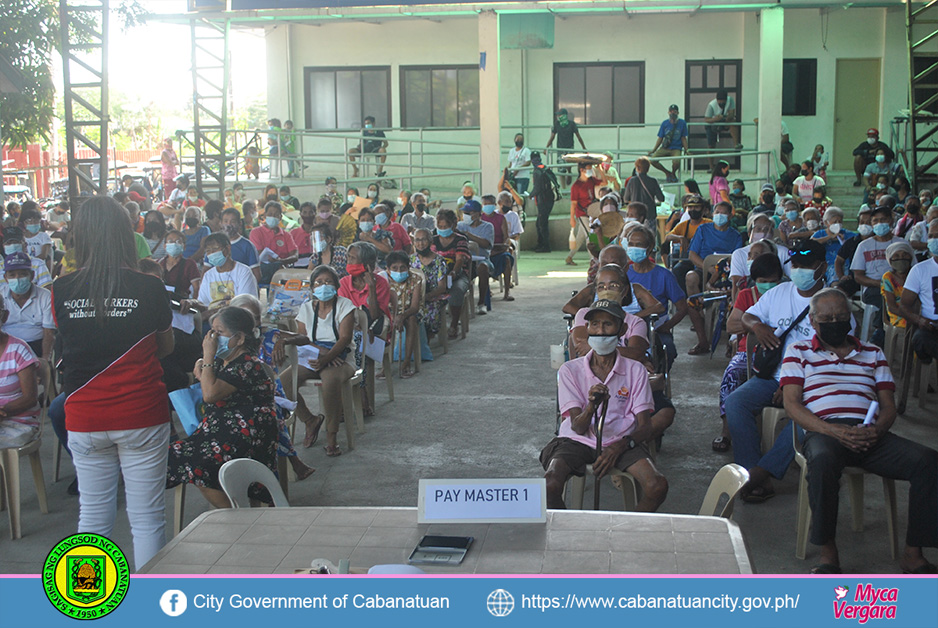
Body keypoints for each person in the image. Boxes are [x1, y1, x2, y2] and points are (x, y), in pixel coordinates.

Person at [52, 196, 175, 571]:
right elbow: (165, 347)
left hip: (85, 417)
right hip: (141, 413)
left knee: (92, 519)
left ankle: (88, 603)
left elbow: (67, 344)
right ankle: (150, 609)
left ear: (81, 237)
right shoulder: (150, 287)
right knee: (148, 519)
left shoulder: (61, 289)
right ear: (126, 234)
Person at [781, 287, 937, 574]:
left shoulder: (872, 353)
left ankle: (914, 553)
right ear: (813, 322)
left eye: (841, 316)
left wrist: (876, 431)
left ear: (851, 318)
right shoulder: (798, 351)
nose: (834, 322)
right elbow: (792, 404)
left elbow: (888, 406)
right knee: (824, 461)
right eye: (826, 318)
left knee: (928, 461)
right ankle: (828, 553)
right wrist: (832, 431)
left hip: (869, 433)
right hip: (824, 431)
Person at [725, 240, 847, 504]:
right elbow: (745, 317)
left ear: (822, 267)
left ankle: (761, 472)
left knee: (808, 415)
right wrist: (757, 326)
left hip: (815, 383)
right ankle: (750, 469)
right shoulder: (779, 293)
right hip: (774, 376)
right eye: (796, 265)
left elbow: (839, 356)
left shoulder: (833, 305)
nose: (800, 271)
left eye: (807, 265)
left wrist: (793, 387)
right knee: (736, 402)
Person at [541, 299, 667, 511]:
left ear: (622, 329)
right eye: (594, 324)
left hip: (622, 440)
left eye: (608, 324)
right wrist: (590, 407)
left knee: (657, 486)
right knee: (549, 484)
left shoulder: (635, 370)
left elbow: (644, 426)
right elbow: (578, 426)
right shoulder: (570, 370)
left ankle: (624, 530)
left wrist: (620, 446)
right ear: (586, 329)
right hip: (577, 440)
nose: (600, 332)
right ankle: (568, 532)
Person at [166, 306, 280, 507]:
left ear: (240, 338)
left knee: (199, 467)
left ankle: (238, 516)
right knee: (173, 455)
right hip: (220, 433)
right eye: (212, 332)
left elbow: (210, 394)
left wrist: (207, 356)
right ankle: (240, 513)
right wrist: (204, 364)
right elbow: (207, 383)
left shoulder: (247, 364)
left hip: (248, 436)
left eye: (220, 333)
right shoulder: (225, 361)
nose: (213, 338)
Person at [273, 265, 356, 455]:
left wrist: (329, 357)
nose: (323, 286)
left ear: (336, 285)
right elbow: (303, 339)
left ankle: (332, 436)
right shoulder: (306, 308)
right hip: (314, 356)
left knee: (330, 381)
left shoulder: (345, 306)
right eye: (318, 282)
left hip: (341, 357)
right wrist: (322, 354)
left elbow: (344, 339)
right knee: (284, 382)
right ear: (312, 288)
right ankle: (310, 420)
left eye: (328, 282)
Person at [231, 293, 315, 481]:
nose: (254, 324)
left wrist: (282, 340)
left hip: (269, 394)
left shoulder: (268, 334)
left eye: (257, 318)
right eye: (248, 318)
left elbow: (303, 339)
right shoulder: (227, 340)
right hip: (238, 394)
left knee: (268, 411)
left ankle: (274, 473)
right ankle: (290, 462)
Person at [716, 253, 784, 453]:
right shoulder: (747, 295)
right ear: (756, 280)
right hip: (750, 351)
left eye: (774, 281)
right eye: (764, 282)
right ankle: (727, 430)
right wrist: (757, 327)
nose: (769, 286)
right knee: (733, 375)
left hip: (780, 354)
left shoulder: (787, 296)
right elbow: (731, 325)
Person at [684, 201, 743, 355]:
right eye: (717, 212)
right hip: (703, 269)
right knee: (690, 278)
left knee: (736, 297)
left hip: (727, 275)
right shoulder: (703, 229)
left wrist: (719, 270)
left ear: (730, 216)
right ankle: (702, 337)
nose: (719, 216)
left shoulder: (735, 236)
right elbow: (692, 254)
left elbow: (737, 259)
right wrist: (707, 266)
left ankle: (732, 344)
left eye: (723, 213)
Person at [569, 264, 649, 362]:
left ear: (625, 291)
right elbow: (581, 347)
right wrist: (621, 352)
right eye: (601, 287)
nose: (607, 290)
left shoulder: (635, 322)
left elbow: (635, 354)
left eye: (613, 286)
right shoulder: (584, 314)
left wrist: (593, 348)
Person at [853, 206, 903, 345]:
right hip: (873, 288)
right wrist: (882, 284)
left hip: (900, 287)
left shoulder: (902, 243)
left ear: (891, 221)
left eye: (883, 220)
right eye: (875, 221)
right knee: (886, 296)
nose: (879, 223)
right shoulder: (864, 246)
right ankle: (881, 330)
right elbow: (858, 276)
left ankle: (880, 331)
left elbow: (911, 269)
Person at [0, 292, 40, 451]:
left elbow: (30, 398)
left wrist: (3, 412)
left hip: (19, 423)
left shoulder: (18, 349)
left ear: (4, 316)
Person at [187, 233, 259, 318]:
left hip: (236, 319)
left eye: (215, 249)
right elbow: (203, 303)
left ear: (227, 249)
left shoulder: (243, 271)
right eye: (208, 251)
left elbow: (244, 305)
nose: (211, 253)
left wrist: (212, 313)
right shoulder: (208, 275)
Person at [899, 219, 938, 364]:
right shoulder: (920, 270)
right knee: (920, 339)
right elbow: (904, 306)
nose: (935, 240)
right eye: (932, 236)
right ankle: (930, 382)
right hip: (932, 328)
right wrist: (919, 320)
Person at [0, 252, 54, 359]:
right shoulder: (0, 295)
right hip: (5, 347)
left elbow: (48, 332)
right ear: (6, 278)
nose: (17, 278)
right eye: (12, 275)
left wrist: (45, 359)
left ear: (32, 276)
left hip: (36, 346)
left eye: (22, 274)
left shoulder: (45, 296)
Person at [432, 209, 471, 339]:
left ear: (453, 225)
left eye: (445, 226)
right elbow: (431, 259)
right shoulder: (433, 240)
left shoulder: (460, 240)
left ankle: (454, 324)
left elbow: (460, 260)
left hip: (457, 275)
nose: (442, 229)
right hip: (438, 276)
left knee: (457, 290)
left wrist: (454, 272)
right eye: (440, 226)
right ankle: (432, 325)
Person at [386, 251, 423, 379]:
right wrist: (393, 316)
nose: (399, 271)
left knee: (411, 320)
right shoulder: (383, 280)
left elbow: (414, 307)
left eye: (403, 268)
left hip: (409, 312)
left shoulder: (415, 279)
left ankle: (406, 362)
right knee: (381, 323)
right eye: (394, 268)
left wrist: (402, 316)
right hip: (389, 313)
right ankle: (385, 365)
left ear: (408, 268)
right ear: (388, 269)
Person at [410, 228, 448, 346]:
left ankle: (425, 341)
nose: (420, 244)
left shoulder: (439, 261)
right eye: (417, 240)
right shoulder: (410, 260)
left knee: (430, 308)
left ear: (431, 241)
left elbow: (442, 287)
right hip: (415, 295)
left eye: (424, 240)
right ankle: (411, 341)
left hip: (433, 296)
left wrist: (427, 296)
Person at [457, 200, 495, 315]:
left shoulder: (487, 227)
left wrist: (469, 235)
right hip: (464, 260)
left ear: (478, 214)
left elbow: (486, 244)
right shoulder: (460, 225)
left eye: (470, 213)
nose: (466, 216)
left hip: (482, 259)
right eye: (465, 213)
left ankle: (481, 303)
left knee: (483, 268)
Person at [566, 161, 608, 266]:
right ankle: (593, 260)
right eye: (589, 168)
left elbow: (604, 182)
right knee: (590, 235)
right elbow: (573, 204)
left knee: (580, 236)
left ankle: (569, 257)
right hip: (582, 214)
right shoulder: (576, 186)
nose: (590, 170)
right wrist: (572, 218)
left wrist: (600, 169)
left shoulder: (591, 180)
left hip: (591, 212)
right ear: (582, 170)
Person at [249, 201, 299, 285]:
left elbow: (295, 255)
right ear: (264, 215)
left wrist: (281, 261)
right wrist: (276, 262)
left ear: (280, 217)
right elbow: (260, 254)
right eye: (270, 214)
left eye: (276, 215)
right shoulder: (256, 232)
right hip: (263, 271)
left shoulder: (286, 235)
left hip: (282, 271)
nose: (273, 217)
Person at [811, 207, 854, 285]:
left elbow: (858, 240)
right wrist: (829, 237)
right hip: (828, 266)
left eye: (840, 221)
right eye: (834, 222)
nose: (837, 224)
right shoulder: (820, 234)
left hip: (846, 265)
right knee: (835, 277)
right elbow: (811, 243)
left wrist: (845, 241)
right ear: (826, 222)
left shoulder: (846, 234)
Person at [545, 108, 586, 187]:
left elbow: (578, 136)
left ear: (564, 115)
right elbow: (552, 136)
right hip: (560, 148)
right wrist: (546, 148)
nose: (558, 116)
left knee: (569, 164)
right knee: (561, 168)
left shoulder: (572, 124)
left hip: (569, 147)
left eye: (559, 115)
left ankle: (569, 172)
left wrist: (584, 148)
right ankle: (563, 187)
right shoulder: (557, 124)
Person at [648, 104, 688, 183]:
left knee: (677, 162)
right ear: (668, 112)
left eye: (675, 112)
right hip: (665, 147)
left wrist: (687, 150)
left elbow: (683, 138)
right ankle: (667, 173)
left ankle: (673, 173)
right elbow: (660, 138)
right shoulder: (664, 123)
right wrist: (653, 150)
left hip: (676, 148)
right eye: (671, 111)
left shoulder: (682, 123)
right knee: (652, 160)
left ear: (678, 113)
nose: (673, 113)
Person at [881, 241, 915, 330]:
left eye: (905, 255)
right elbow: (892, 307)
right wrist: (913, 317)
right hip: (899, 316)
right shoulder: (888, 277)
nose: (901, 258)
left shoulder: (916, 274)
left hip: (918, 314)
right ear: (890, 259)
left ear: (911, 257)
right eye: (896, 256)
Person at [159, 230, 201, 301]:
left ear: (184, 246)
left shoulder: (189, 264)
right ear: (165, 246)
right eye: (170, 241)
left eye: (178, 241)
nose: (174, 244)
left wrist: (193, 304)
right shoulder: (159, 263)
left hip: (181, 303)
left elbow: (196, 288)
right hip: (161, 301)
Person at [221, 208, 260, 283]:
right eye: (225, 221)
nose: (228, 224)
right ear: (221, 223)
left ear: (239, 223)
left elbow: (256, 275)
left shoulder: (247, 245)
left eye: (232, 221)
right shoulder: (214, 244)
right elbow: (206, 270)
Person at [621, 157, 663, 225]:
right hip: (650, 214)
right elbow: (661, 198)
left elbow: (626, 199)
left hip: (635, 216)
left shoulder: (631, 181)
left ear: (637, 168)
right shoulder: (653, 181)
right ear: (648, 168)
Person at [530, 151, 559, 253]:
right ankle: (541, 243)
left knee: (542, 223)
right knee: (540, 223)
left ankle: (545, 246)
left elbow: (537, 187)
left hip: (543, 200)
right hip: (549, 199)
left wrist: (530, 194)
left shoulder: (537, 171)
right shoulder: (545, 168)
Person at [704, 89, 740, 165]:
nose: (721, 103)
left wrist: (727, 117)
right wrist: (715, 119)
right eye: (719, 101)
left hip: (724, 120)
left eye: (723, 101)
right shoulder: (711, 105)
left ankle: (736, 144)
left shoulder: (730, 100)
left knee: (733, 122)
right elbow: (707, 119)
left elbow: (732, 113)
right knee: (711, 146)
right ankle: (711, 167)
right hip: (712, 125)